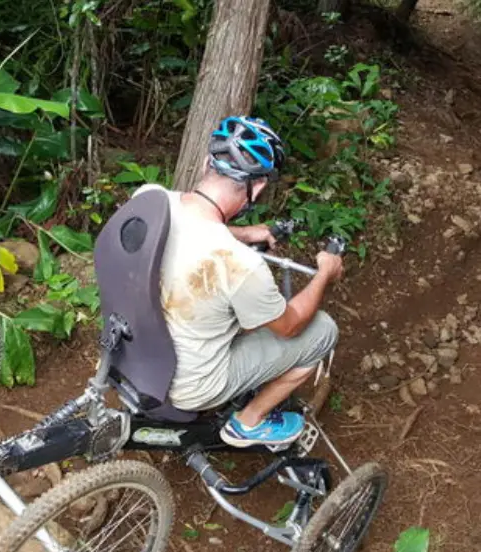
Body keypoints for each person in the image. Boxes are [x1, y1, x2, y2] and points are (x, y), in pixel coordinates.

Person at [131, 116, 343, 447]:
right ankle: (248, 422)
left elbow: (190, 222)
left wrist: (243, 233)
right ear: (257, 187)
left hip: (131, 355)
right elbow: (290, 326)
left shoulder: (150, 199)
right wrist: (324, 275)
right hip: (190, 386)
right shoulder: (239, 264)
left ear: (206, 162)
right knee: (323, 330)